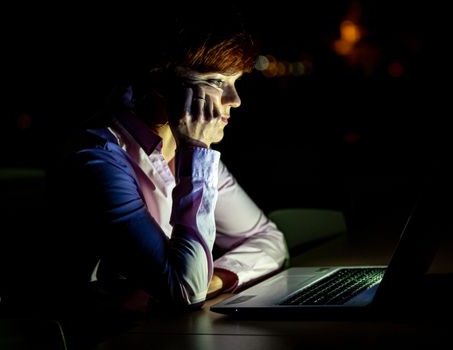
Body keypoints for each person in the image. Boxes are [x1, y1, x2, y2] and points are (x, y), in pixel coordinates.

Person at [48, 9, 289, 315]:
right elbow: (185, 290)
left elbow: (270, 240)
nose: (235, 99)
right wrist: (196, 150)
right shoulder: (99, 157)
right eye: (215, 82)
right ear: (161, 81)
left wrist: (213, 280)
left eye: (236, 81)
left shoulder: (188, 151)